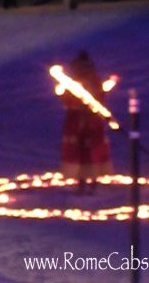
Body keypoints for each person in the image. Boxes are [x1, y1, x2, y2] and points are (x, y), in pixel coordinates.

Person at [59, 50, 114, 194]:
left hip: (83, 121)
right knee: (86, 153)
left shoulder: (76, 82)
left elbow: (67, 99)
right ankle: (88, 183)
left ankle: (86, 183)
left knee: (85, 153)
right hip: (86, 121)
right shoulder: (90, 80)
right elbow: (101, 95)